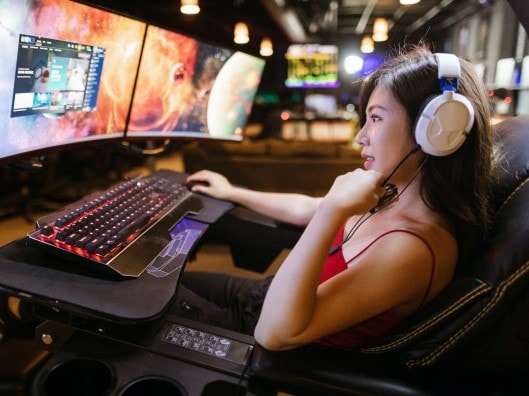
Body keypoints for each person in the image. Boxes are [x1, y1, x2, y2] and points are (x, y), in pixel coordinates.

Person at [172, 44, 495, 351]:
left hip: (257, 334)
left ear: (435, 130)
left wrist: (332, 210)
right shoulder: (392, 195)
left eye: (376, 118)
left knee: (130, 301)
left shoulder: (411, 248)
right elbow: (305, 207)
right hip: (265, 294)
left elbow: (274, 334)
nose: (360, 136)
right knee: (165, 282)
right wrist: (233, 192)